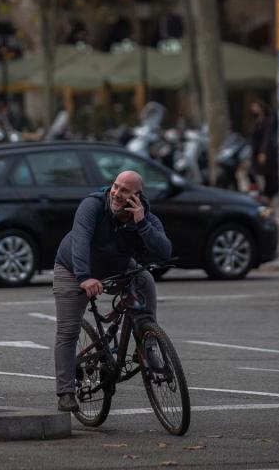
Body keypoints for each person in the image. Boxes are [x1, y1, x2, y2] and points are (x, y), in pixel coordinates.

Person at [51, 170, 172, 412]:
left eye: (124, 190)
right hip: (73, 268)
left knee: (145, 279)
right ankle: (65, 392)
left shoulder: (145, 215)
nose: (116, 193)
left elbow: (164, 252)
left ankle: (147, 343)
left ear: (137, 196)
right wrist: (84, 277)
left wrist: (142, 224)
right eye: (116, 186)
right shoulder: (93, 205)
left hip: (116, 267)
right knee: (68, 331)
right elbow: (81, 240)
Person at [249, 99, 278, 203]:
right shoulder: (256, 121)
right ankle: (261, 193)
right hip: (256, 150)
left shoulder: (268, 121)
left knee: (267, 174)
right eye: (253, 107)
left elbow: (267, 137)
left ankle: (268, 194)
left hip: (265, 152)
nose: (253, 109)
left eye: (256, 106)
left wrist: (263, 152)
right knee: (253, 172)